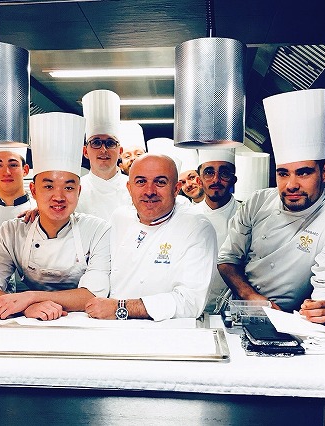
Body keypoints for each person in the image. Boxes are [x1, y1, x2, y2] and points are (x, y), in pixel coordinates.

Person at [217, 89, 325, 324]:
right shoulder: (257, 203)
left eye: (303, 173)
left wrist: (324, 308)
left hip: (291, 321)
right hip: (238, 309)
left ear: (324, 172)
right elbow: (227, 259)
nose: (291, 185)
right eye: (283, 174)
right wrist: (250, 296)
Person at [0, 112, 111, 320]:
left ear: (79, 191)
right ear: (34, 190)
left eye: (68, 187)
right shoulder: (12, 231)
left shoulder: (97, 230)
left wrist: (30, 297)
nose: (59, 196)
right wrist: (26, 308)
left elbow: (94, 294)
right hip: (30, 324)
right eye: (48, 186)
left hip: (85, 324)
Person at [85, 154, 216, 321]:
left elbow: (190, 302)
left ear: (176, 189)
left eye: (160, 182)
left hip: (166, 331)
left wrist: (121, 308)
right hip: (112, 325)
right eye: (141, 182)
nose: (149, 191)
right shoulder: (120, 217)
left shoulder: (197, 227)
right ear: (129, 188)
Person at [190, 148, 239, 312]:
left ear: (233, 180)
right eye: (209, 173)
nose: (216, 179)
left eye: (224, 173)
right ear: (199, 180)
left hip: (232, 309)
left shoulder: (245, 217)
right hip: (192, 308)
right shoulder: (188, 217)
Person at [75, 89, 132, 221]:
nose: (103, 150)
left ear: (120, 152)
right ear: (85, 152)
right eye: (96, 142)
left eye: (110, 143)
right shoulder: (74, 190)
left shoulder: (136, 188)